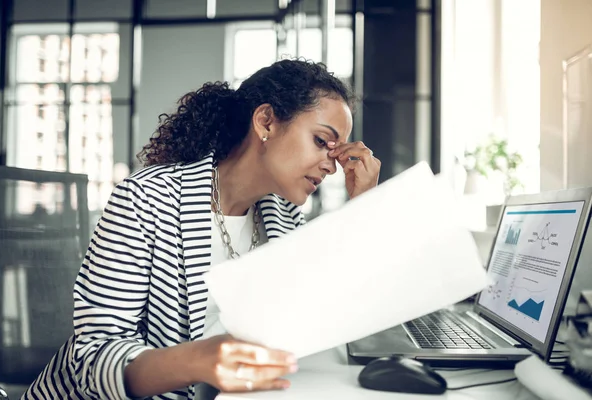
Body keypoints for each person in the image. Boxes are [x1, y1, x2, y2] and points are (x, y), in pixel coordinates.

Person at [22, 59, 381, 400]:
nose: (330, 168)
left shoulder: (282, 217)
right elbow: (92, 358)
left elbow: (324, 313)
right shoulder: (146, 199)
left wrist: (365, 208)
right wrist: (199, 361)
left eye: (335, 153)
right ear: (266, 122)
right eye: (321, 142)